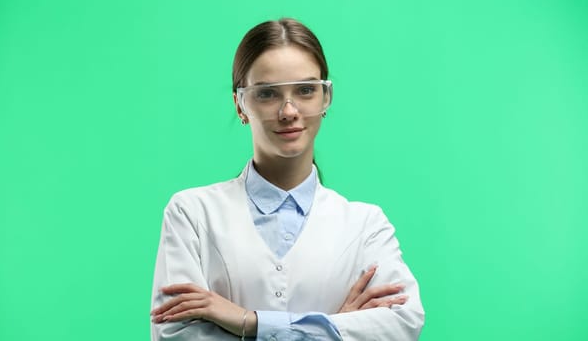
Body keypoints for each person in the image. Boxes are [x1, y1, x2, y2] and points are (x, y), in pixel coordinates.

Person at [150, 18, 425, 340]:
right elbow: (176, 335)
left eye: (306, 90)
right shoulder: (192, 214)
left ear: (326, 98)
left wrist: (247, 321)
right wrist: (334, 326)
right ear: (240, 104)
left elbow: (401, 326)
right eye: (267, 94)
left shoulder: (366, 225)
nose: (289, 111)